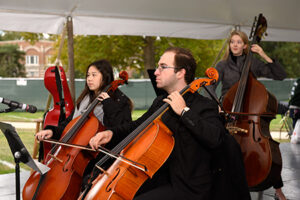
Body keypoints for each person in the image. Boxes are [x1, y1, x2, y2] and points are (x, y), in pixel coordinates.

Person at [88, 47, 227, 200]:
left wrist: (184, 111)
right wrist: (111, 133)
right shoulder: (160, 102)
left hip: (187, 187)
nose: (156, 72)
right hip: (157, 178)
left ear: (180, 73)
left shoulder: (204, 105)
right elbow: (136, 126)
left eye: (163, 67)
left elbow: (216, 138)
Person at [35, 59, 132, 191]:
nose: (89, 79)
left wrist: (108, 103)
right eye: (88, 75)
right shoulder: (85, 98)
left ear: (105, 76)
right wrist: (52, 131)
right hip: (76, 153)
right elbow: (70, 124)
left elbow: (121, 129)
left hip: (100, 157)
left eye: (94, 75)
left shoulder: (120, 100)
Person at [212, 30, 287, 200]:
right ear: (230, 45)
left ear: (246, 45)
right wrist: (217, 104)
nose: (235, 45)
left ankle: (278, 190)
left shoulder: (252, 63)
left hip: (251, 115)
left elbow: (280, 75)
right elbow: (211, 87)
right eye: (232, 42)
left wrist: (262, 54)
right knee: (220, 147)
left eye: (239, 42)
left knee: (266, 149)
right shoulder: (222, 66)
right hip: (229, 112)